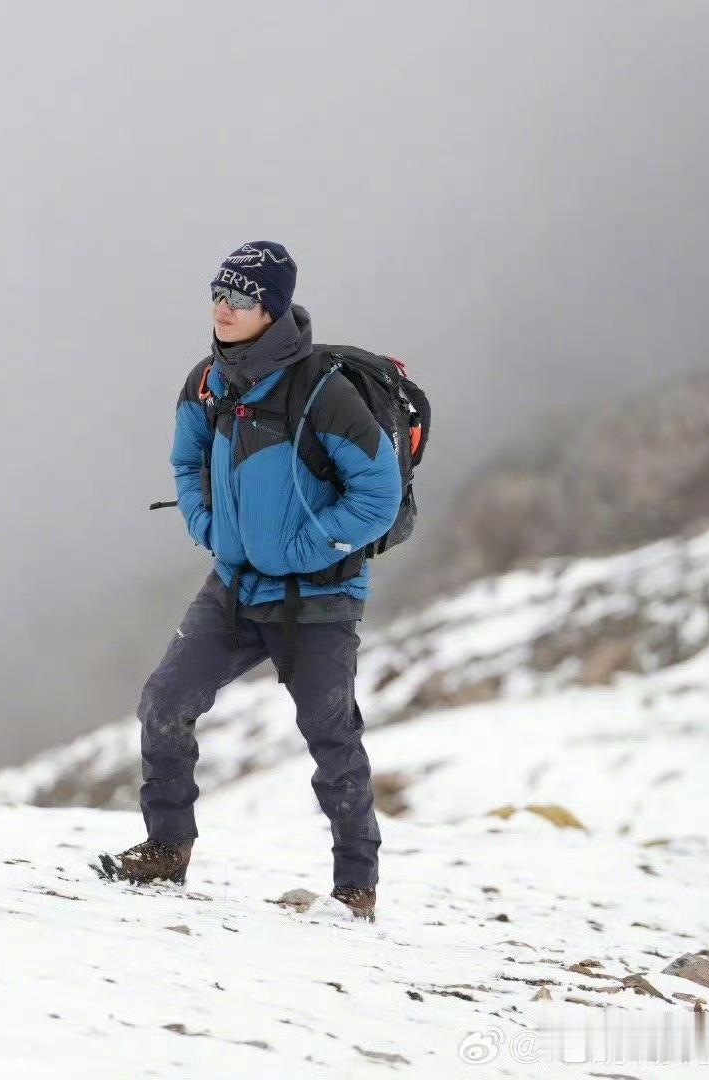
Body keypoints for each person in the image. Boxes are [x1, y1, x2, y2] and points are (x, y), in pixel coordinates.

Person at [104, 241, 403, 922]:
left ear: (272, 309)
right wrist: (207, 525)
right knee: (164, 701)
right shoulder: (207, 383)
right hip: (235, 586)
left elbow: (377, 493)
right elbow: (186, 462)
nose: (223, 308)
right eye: (218, 293)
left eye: (240, 298)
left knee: (331, 737)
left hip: (320, 594)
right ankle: (166, 848)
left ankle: (356, 886)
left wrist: (306, 546)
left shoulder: (324, 391)